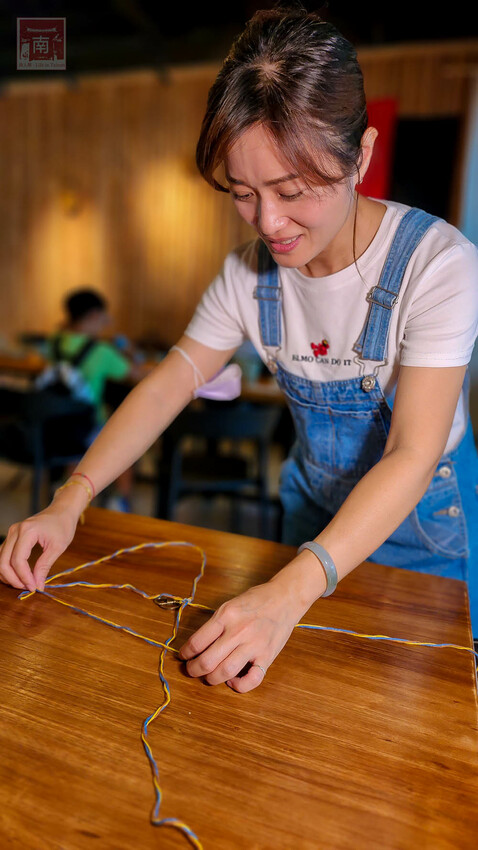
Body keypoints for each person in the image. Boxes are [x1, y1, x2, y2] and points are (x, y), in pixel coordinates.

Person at [1, 7, 478, 693]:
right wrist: (70, 499)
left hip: (425, 529)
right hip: (313, 509)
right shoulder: (248, 276)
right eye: (244, 194)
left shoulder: (437, 266)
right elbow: (169, 384)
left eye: (292, 191)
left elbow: (412, 453)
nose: (270, 224)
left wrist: (289, 592)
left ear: (362, 157)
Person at [48, 288, 146, 510]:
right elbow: (137, 375)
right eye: (104, 317)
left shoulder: (55, 341)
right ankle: (119, 501)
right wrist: (131, 351)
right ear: (94, 315)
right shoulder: (101, 351)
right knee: (125, 443)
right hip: (87, 425)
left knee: (76, 444)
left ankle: (64, 486)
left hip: (55, 424)